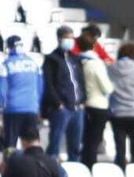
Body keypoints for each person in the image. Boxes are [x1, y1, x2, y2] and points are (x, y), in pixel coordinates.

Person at [0, 34, 43, 153]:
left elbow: (1, 89)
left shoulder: (6, 65)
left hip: (13, 109)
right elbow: (40, 88)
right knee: (32, 144)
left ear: (9, 48)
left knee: (10, 145)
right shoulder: (34, 64)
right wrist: (38, 106)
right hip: (31, 108)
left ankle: (10, 167)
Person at [40, 26, 85, 162]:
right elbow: (49, 83)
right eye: (67, 38)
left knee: (76, 146)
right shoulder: (52, 59)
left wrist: (83, 100)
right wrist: (57, 103)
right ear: (59, 39)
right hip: (61, 108)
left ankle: (75, 170)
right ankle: (50, 170)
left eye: (72, 38)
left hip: (77, 107)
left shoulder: (75, 59)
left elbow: (80, 80)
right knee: (55, 143)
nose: (70, 41)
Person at [73, 37, 112, 166]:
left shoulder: (75, 62)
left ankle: (83, 165)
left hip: (82, 105)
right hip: (98, 105)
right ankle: (90, 167)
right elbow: (107, 88)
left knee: (85, 139)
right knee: (94, 141)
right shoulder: (95, 63)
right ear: (94, 47)